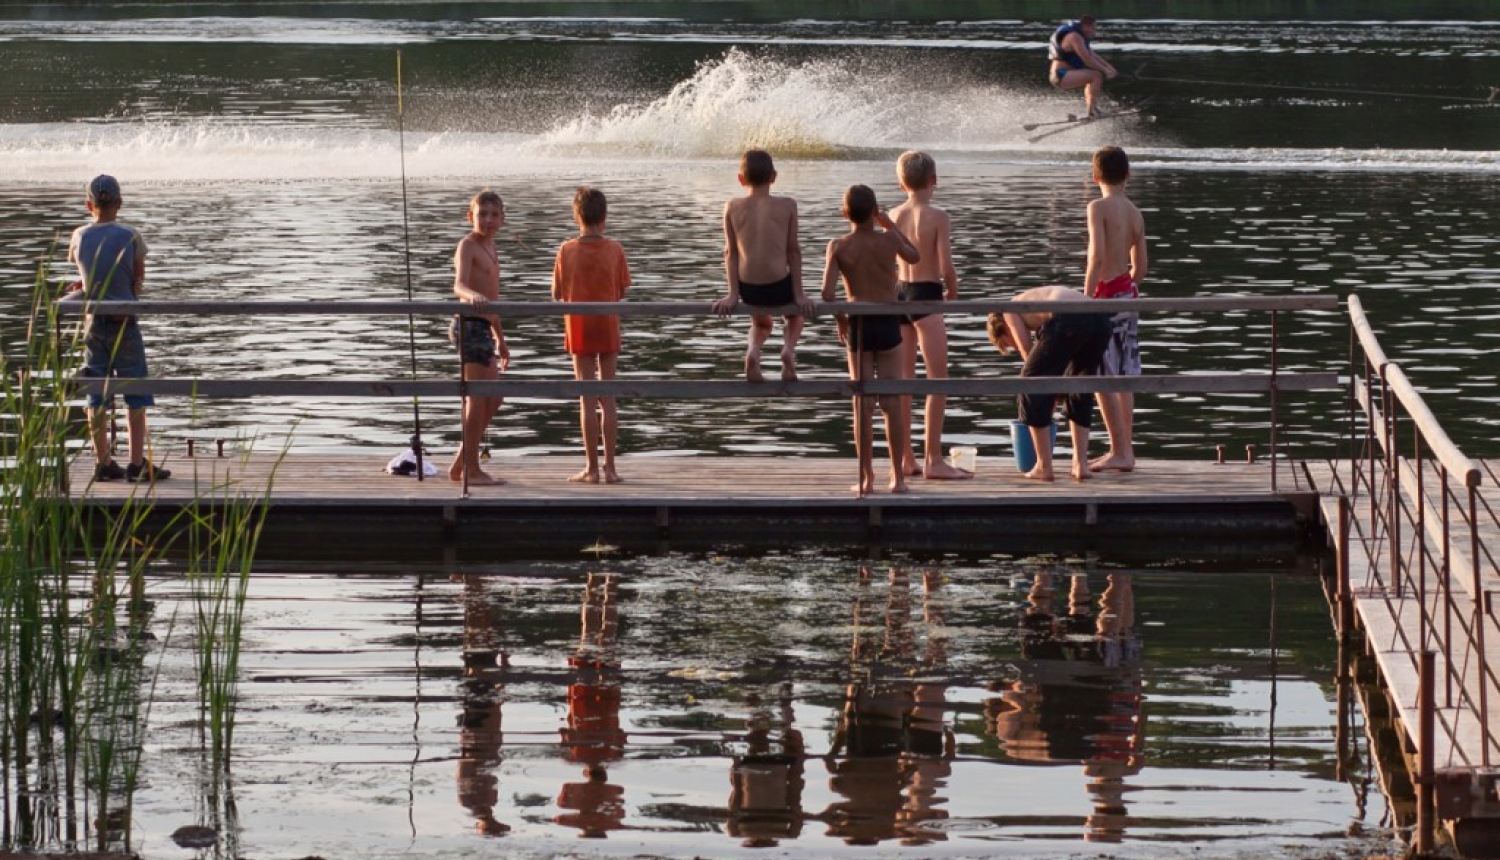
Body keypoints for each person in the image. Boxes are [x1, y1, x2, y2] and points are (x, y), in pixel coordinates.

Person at [66, 174, 170, 484]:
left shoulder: (79, 236)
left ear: (89, 205)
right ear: (120, 204)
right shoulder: (131, 235)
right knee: (135, 393)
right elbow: (136, 281)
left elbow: (86, 275)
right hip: (125, 323)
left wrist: (84, 286)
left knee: (95, 394)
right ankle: (136, 464)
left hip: (94, 326)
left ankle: (103, 461)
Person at [820, 185, 919, 496]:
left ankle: (866, 479)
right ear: (875, 211)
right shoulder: (888, 239)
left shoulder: (838, 246)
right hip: (888, 324)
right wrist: (890, 225)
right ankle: (898, 479)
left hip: (859, 327)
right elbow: (913, 256)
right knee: (891, 402)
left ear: (844, 213)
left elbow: (827, 294)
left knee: (862, 404)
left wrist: (841, 320)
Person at [889, 151, 971, 481]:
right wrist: (952, 291)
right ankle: (933, 459)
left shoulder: (893, 214)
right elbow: (945, 264)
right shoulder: (938, 215)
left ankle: (906, 457)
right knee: (938, 382)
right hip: (925, 294)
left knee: (905, 383)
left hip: (899, 295)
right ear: (934, 180)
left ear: (901, 182)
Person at [986, 286, 1112, 482]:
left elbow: (1028, 354)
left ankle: (1043, 466)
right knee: (1079, 387)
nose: (1011, 346)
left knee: (1030, 383)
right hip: (1098, 320)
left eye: (1006, 343)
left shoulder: (1008, 310)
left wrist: (1046, 394)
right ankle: (1080, 465)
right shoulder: (1033, 303)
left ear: (1002, 328)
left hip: (1068, 317)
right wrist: (1052, 392)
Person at [713, 149, 815, 382]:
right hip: (779, 286)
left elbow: (730, 252)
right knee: (795, 317)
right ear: (774, 176)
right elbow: (793, 251)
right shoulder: (788, 205)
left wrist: (732, 295)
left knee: (761, 323)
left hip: (749, 288)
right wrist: (798, 294)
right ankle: (788, 350)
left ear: (740, 179)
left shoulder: (731, 206)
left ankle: (752, 352)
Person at [552, 186, 631, 484]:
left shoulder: (565, 250)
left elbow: (557, 293)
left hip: (579, 326)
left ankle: (591, 468)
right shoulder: (615, 249)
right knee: (608, 398)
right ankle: (611, 469)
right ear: (605, 216)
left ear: (576, 216)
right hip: (607, 324)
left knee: (586, 399)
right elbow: (622, 290)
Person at [1084, 146, 1147, 473]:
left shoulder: (1097, 207)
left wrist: (1086, 298)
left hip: (1104, 297)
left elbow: (1095, 257)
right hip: (1127, 296)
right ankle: (1126, 449)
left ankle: (1117, 450)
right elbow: (1141, 268)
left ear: (1095, 177)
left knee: (1103, 375)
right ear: (1127, 175)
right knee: (1124, 373)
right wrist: (1126, 286)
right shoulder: (1135, 213)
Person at [449, 189, 511, 487]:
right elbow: (459, 284)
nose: (488, 220)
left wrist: (501, 337)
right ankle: (471, 469)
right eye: (482, 214)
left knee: (495, 396)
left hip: (486, 327)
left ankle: (463, 459)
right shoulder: (468, 245)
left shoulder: (492, 247)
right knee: (476, 397)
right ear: (470, 216)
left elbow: (494, 299)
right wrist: (471, 295)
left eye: (494, 214)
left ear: (502, 218)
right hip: (469, 324)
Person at [1048, 16, 1118, 118]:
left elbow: (1092, 54)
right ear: (1085, 26)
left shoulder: (1080, 37)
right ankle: (1092, 111)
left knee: (1094, 75)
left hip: (1066, 74)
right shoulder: (1074, 37)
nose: (1094, 31)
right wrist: (1105, 71)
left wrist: (1109, 67)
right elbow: (1087, 60)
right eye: (1093, 28)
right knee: (1096, 75)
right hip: (1060, 75)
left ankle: (1092, 109)